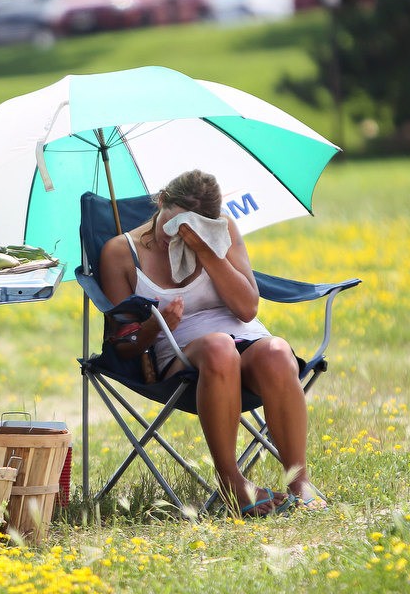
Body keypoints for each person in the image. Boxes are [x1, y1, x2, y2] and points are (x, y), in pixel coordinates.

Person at [99, 169, 326, 517]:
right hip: (179, 353)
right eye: (172, 226)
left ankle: (299, 482)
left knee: (279, 352)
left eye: (194, 227)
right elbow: (124, 346)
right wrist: (157, 327)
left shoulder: (222, 231)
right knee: (220, 347)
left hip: (244, 339)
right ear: (161, 202)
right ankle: (232, 483)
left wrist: (206, 250)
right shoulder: (120, 253)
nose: (175, 238)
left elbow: (247, 308)